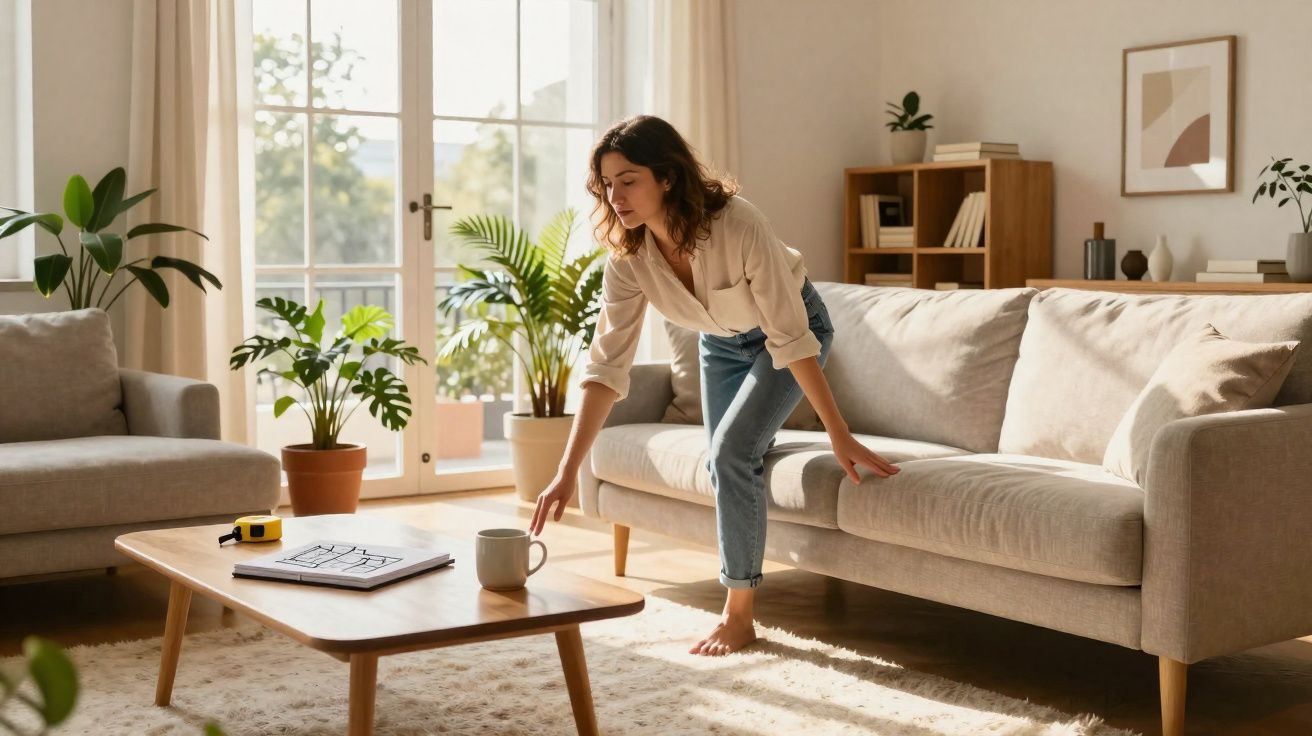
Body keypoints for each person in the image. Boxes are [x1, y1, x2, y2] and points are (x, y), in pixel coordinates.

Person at [528, 114, 900, 656]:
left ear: (667, 177)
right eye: (606, 184)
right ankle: (755, 456)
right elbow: (606, 368)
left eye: (628, 180)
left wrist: (837, 432)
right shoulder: (628, 258)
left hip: (791, 330)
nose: (615, 196)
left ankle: (738, 615)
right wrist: (565, 472)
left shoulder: (738, 225)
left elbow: (791, 337)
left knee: (730, 451)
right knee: (729, 458)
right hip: (720, 344)